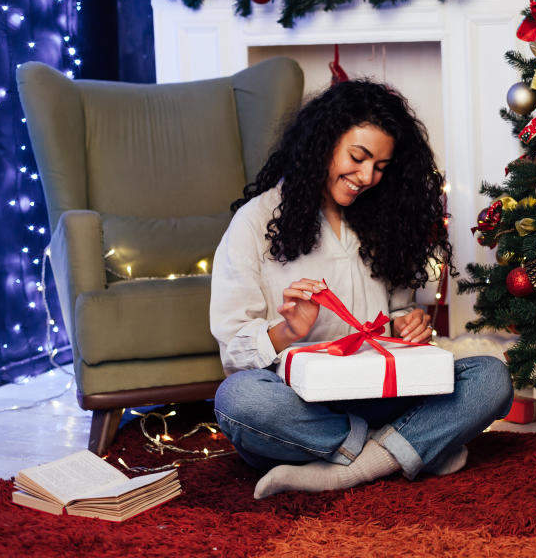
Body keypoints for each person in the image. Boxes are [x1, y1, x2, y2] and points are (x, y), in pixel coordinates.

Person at [210, 79, 513, 498]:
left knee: (490, 376)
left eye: (381, 167)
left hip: (382, 391)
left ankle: (345, 467)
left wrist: (409, 324)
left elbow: (398, 312)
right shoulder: (254, 222)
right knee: (238, 402)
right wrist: (288, 332)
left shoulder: (384, 218)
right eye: (358, 157)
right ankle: (408, 447)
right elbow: (233, 352)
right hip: (301, 405)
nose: (367, 177)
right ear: (323, 142)